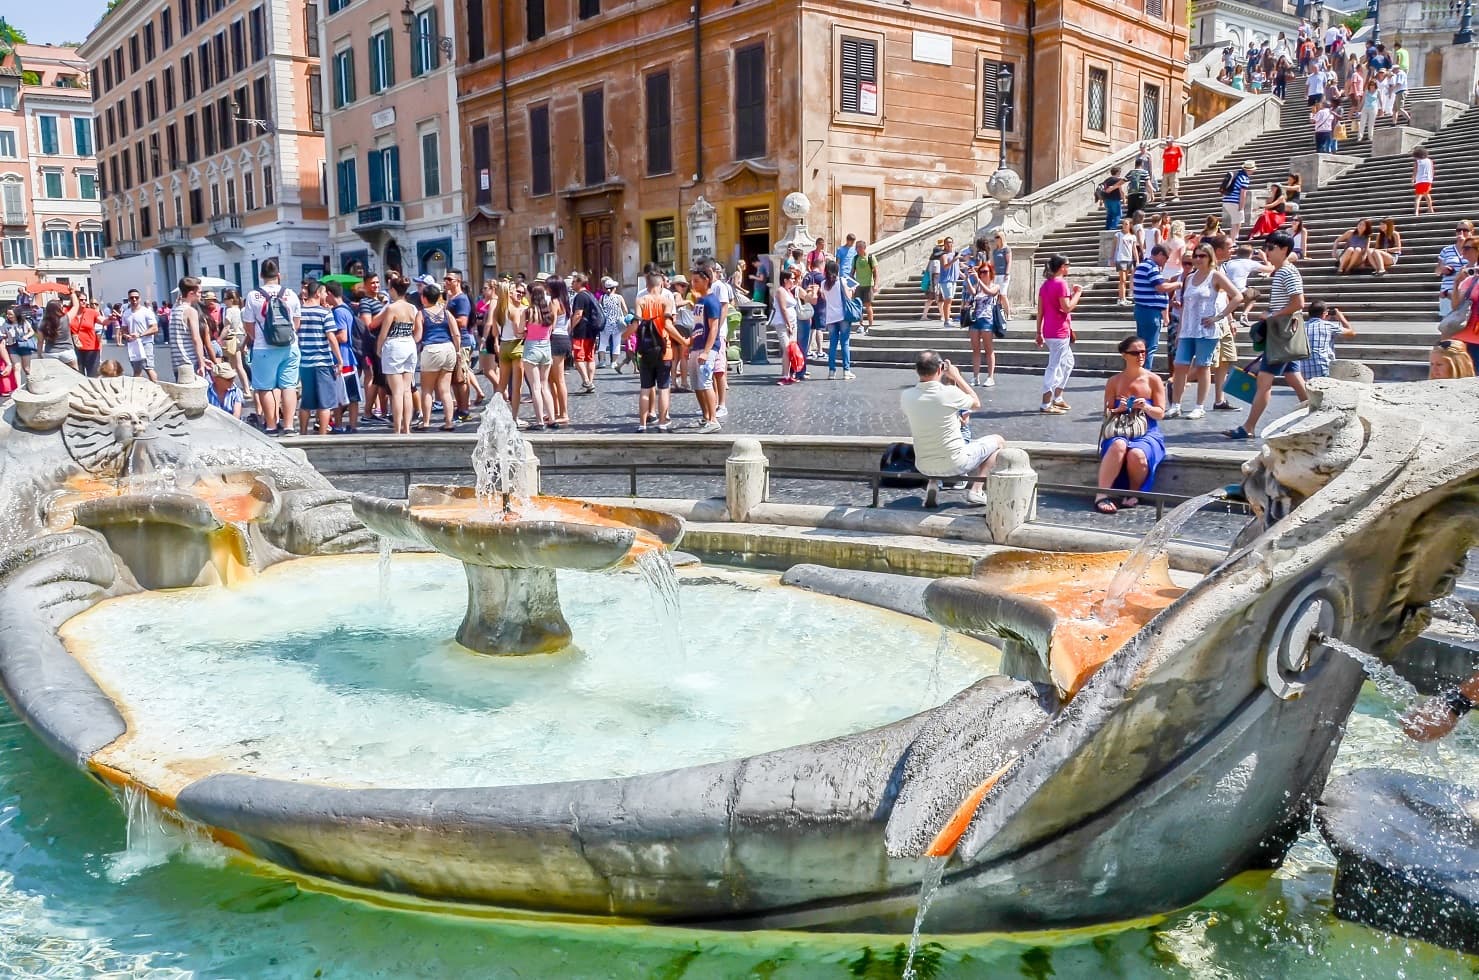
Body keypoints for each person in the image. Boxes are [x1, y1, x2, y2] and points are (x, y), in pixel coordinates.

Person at [1227, 230, 1309, 440]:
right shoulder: (1283, 271)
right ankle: (1314, 415)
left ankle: (1249, 427)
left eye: (1271, 248)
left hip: (1281, 334)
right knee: (1293, 376)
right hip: (1284, 333)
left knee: (1264, 381)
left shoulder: (1286, 272)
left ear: (1284, 249)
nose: (1267, 252)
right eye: (1266, 247)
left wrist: (1272, 315)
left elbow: (1298, 303)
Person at [899, 350, 1005, 506]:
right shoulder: (950, 393)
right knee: (999, 441)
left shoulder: (906, 396)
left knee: (931, 430)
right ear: (940, 369)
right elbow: (976, 403)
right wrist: (957, 376)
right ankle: (976, 490)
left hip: (923, 465)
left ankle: (933, 484)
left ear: (917, 370)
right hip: (956, 463)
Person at [1166, 244, 1243, 420]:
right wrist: (1179, 330)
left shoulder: (1215, 276)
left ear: (1210, 257)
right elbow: (1185, 307)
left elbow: (1237, 296)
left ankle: (1199, 406)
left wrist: (1220, 316)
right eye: (1196, 256)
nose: (1198, 259)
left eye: (1202, 256)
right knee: (1180, 365)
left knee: (1203, 366)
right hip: (1188, 329)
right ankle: (1175, 405)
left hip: (1206, 330)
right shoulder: (1189, 278)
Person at [1095, 335, 1168, 514]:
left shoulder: (1153, 380)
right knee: (1119, 445)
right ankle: (1101, 494)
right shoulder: (1114, 381)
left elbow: (1160, 413)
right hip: (1120, 430)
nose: (1140, 356)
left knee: (1137, 454)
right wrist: (1118, 409)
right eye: (1135, 353)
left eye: (1143, 352)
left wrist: (1146, 407)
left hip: (1147, 432)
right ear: (1124, 355)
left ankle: (1134, 492)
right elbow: (1107, 412)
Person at [244, 258, 302, 436]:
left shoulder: (253, 296)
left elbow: (248, 325)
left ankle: (271, 426)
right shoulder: (291, 294)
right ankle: (289, 425)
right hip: (290, 346)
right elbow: (296, 323)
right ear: (279, 275)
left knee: (265, 387)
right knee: (289, 386)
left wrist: (259, 338)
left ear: (261, 275)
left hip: (264, 348)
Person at [626, 270, 683, 430]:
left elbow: (636, 324)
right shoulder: (666, 301)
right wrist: (683, 340)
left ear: (647, 284)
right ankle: (662, 422)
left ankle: (642, 424)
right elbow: (668, 325)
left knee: (645, 389)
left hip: (645, 349)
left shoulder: (640, 300)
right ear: (661, 284)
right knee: (664, 388)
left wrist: (625, 335)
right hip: (664, 349)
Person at [292, 281, 343, 437]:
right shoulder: (325, 313)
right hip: (322, 362)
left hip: (304, 362)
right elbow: (331, 338)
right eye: (324, 292)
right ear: (317, 293)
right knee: (325, 403)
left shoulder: (299, 312)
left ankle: (303, 433)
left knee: (306, 401)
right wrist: (339, 359)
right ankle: (322, 435)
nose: (326, 295)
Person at [375, 276, 422, 434]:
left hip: (394, 345)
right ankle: (407, 428)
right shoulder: (412, 308)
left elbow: (383, 332)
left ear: (394, 290)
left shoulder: (392, 308)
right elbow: (416, 329)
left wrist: (378, 349)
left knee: (396, 392)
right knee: (407, 390)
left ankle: (397, 428)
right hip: (409, 343)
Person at [1036, 254, 1082, 414]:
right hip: (1059, 332)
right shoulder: (1061, 283)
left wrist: (1038, 332)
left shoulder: (1045, 285)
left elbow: (1040, 311)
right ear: (1062, 267)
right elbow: (1067, 307)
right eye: (1067, 265)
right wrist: (1078, 293)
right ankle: (1046, 403)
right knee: (1054, 367)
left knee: (1068, 363)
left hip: (1050, 330)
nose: (1069, 268)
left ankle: (1058, 397)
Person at [415, 282, 460, 431]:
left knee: (427, 389)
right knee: (445, 390)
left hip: (431, 349)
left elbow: (418, 336)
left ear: (424, 298)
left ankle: (426, 422)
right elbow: (456, 334)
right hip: (448, 348)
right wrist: (458, 351)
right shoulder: (446, 313)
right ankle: (449, 422)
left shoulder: (421, 313)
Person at [687, 265, 725, 432]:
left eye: (696, 281)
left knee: (706, 382)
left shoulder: (711, 301)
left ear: (706, 280)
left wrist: (707, 351)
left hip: (707, 348)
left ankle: (713, 420)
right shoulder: (700, 300)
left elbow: (714, 327)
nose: (693, 284)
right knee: (696, 383)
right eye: (692, 280)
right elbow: (697, 325)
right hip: (697, 346)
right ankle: (705, 416)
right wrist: (690, 343)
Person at [1132, 244, 1179, 371]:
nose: (1166, 261)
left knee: (1143, 344)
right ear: (1160, 254)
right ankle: (1145, 374)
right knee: (1149, 346)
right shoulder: (1151, 267)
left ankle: (1140, 372)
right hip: (1150, 311)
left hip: (1143, 310)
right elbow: (1161, 287)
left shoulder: (1143, 266)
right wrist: (1177, 284)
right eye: (1166, 258)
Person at [324, 283, 361, 433]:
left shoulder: (338, 312)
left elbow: (343, 336)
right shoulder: (347, 309)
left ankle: (338, 425)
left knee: (339, 394)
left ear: (330, 293)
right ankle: (353, 425)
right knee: (352, 394)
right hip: (349, 357)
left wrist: (327, 337)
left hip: (341, 357)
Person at [521, 282, 557, 430]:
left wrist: (526, 331)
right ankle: (552, 419)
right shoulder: (548, 312)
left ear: (532, 295)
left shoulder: (528, 312)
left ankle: (539, 421)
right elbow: (551, 330)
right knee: (544, 386)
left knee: (535, 387)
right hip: (546, 348)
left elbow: (519, 330)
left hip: (532, 348)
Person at [963, 261, 1001, 386]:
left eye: (985, 272)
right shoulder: (977, 285)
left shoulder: (995, 286)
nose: (982, 274)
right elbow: (972, 292)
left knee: (988, 349)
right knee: (975, 349)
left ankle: (990, 377)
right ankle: (975, 376)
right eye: (981, 272)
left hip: (987, 319)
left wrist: (978, 279)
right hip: (975, 319)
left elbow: (990, 292)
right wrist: (967, 278)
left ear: (991, 273)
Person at [820, 259, 857, 381]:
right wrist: (852, 290)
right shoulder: (842, 281)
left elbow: (824, 298)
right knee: (845, 343)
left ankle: (832, 371)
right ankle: (846, 371)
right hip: (842, 316)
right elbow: (849, 297)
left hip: (830, 317)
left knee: (832, 345)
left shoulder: (823, 284)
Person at [1299, 300, 1356, 378]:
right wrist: (1341, 318)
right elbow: (1351, 333)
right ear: (1324, 313)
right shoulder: (1328, 326)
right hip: (1324, 368)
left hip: (1304, 370)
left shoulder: (1301, 326)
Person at [545, 277, 573, 425]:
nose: (546, 288)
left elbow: (552, 324)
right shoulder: (566, 302)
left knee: (558, 379)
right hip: (564, 338)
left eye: (548, 286)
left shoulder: (554, 302)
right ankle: (555, 411)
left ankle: (563, 413)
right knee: (552, 379)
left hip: (555, 339)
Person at [771, 267, 801, 385]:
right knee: (787, 348)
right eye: (791, 279)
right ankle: (785, 375)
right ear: (785, 280)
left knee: (790, 349)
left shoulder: (789, 291)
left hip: (793, 323)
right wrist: (788, 324)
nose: (793, 280)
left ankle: (788, 374)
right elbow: (783, 308)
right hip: (783, 323)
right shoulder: (780, 291)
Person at [120, 289, 158, 381]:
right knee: (136, 370)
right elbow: (124, 329)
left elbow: (154, 328)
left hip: (145, 343)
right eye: (132, 298)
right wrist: (126, 336)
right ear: (129, 299)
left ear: (140, 298)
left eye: (136, 297)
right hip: (133, 344)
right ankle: (137, 388)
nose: (134, 299)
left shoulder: (146, 312)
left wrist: (140, 335)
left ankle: (156, 387)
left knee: (148, 368)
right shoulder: (126, 313)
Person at [1437, 222, 1473, 318]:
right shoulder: (1446, 250)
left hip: (1468, 293)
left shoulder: (1475, 250)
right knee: (1448, 324)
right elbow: (1437, 271)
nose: (1461, 233)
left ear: (1471, 232)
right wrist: (1442, 269)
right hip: (1447, 292)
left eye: (1465, 230)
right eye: (1458, 230)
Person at [40, 296, 79, 370]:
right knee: (75, 373)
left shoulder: (43, 323)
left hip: (50, 353)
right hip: (67, 351)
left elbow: (40, 341)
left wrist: (39, 354)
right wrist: (73, 293)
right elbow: (76, 306)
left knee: (53, 375)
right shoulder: (66, 318)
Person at [1220, 160, 1255, 242]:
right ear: (1250, 170)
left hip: (1226, 200)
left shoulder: (1237, 175)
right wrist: (1241, 207)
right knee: (1235, 223)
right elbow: (1243, 194)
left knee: (1237, 220)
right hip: (1234, 201)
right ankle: (1233, 240)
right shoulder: (1245, 178)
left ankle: (1235, 237)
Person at [597, 276, 628, 368]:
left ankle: (602, 361)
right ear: (614, 288)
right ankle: (613, 362)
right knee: (616, 343)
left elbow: (599, 310)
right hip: (617, 323)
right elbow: (625, 310)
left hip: (605, 323)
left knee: (603, 342)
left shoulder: (602, 297)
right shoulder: (619, 297)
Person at [71, 294, 102, 377]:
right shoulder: (69, 312)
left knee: (93, 376)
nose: (84, 301)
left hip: (91, 348)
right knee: (78, 376)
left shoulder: (91, 312)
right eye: (81, 300)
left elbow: (103, 321)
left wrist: (109, 319)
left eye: (85, 300)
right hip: (75, 349)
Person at [1113, 218, 1139, 306]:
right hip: (1121, 258)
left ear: (1130, 225)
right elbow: (1114, 247)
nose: (1124, 225)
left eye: (1126, 224)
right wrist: (1112, 258)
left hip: (1129, 259)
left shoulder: (1133, 236)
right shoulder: (1118, 235)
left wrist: (1137, 260)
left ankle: (1123, 298)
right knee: (1122, 279)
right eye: (1123, 224)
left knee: (1125, 279)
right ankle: (1121, 298)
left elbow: (1134, 249)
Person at [853, 240, 878, 329]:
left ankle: (870, 325)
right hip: (858, 286)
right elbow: (852, 272)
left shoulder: (870, 257)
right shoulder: (855, 258)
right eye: (856, 248)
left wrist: (876, 284)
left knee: (868, 305)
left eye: (859, 248)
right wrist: (851, 284)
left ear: (864, 248)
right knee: (859, 306)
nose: (857, 250)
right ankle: (861, 324)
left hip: (868, 285)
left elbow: (876, 272)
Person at [1100, 166, 1127, 231]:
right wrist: (1124, 199)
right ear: (1117, 172)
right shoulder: (1118, 180)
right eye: (1120, 172)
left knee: (1110, 214)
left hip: (1106, 200)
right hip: (1114, 199)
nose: (1120, 173)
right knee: (1118, 214)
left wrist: (1101, 200)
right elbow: (1121, 191)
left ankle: (1108, 228)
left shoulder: (1106, 180)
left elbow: (1102, 190)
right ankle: (1113, 227)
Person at [1413, 147, 1435, 216]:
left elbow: (1415, 171)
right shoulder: (1430, 161)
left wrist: (1413, 179)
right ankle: (1431, 209)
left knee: (1418, 197)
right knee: (1427, 195)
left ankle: (1416, 212)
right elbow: (1432, 170)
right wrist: (1431, 178)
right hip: (1428, 180)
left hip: (1419, 180)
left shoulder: (1417, 162)